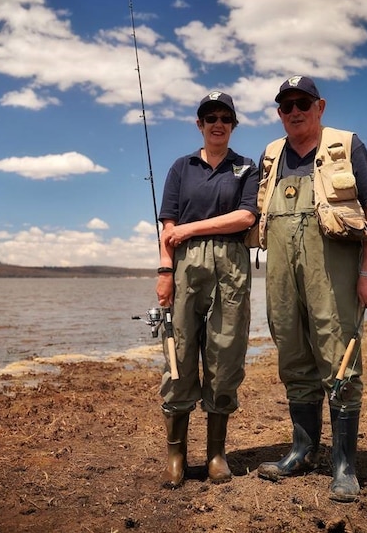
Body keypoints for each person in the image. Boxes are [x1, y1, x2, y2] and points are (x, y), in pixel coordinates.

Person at [255, 76, 367, 502]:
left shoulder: (347, 146)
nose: (294, 111)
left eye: (303, 103)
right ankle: (302, 450)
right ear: (279, 112)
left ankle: (345, 465)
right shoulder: (271, 156)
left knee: (339, 356)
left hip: (334, 275)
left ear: (320, 106)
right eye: (286, 105)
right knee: (292, 354)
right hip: (281, 275)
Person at [155, 91, 259, 489]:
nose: (217, 123)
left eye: (225, 118)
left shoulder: (247, 167)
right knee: (178, 353)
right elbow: (168, 226)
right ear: (199, 124)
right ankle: (176, 456)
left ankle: (216, 454)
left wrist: (191, 228)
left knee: (226, 353)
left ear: (233, 125)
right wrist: (165, 270)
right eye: (209, 117)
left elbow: (246, 216)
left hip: (231, 266)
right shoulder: (181, 168)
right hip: (184, 266)